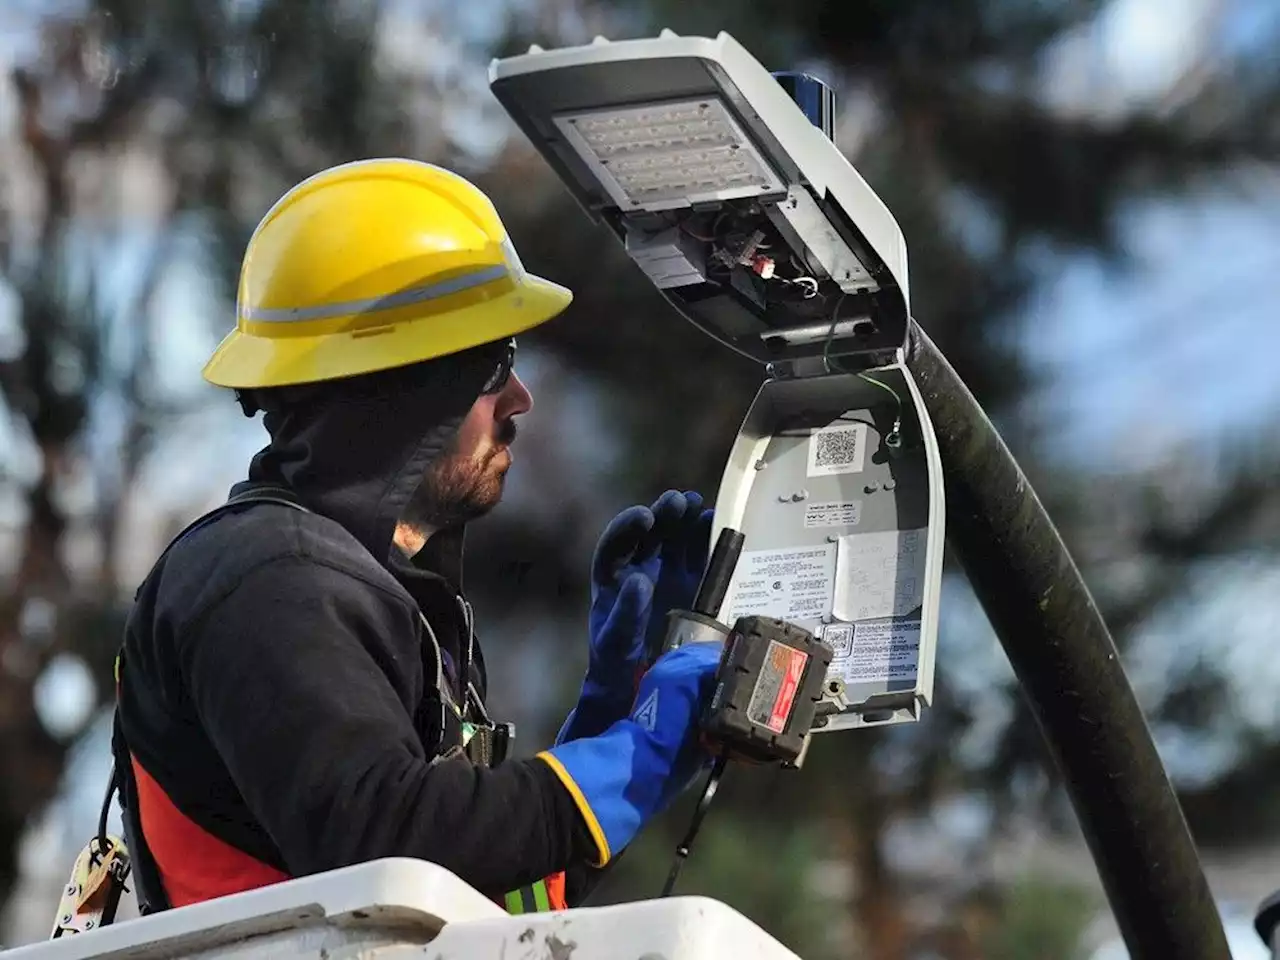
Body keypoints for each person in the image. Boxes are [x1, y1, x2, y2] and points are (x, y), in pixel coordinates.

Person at [108, 158, 723, 917]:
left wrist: (610, 711)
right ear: (406, 389)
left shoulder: (372, 601)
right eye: (496, 366)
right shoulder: (268, 578)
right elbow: (386, 848)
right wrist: (637, 755)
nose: (520, 401)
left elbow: (487, 897)